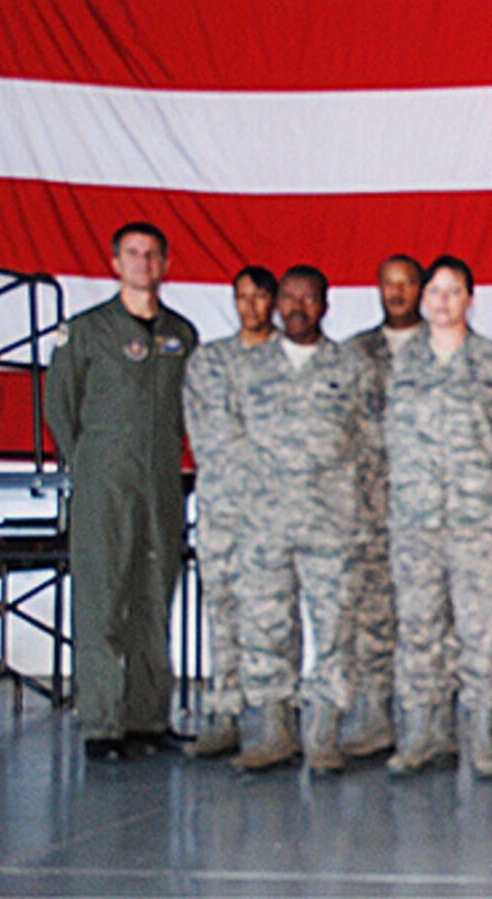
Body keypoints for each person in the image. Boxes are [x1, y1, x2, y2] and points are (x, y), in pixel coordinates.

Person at [46, 222, 199, 762]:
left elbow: (188, 411)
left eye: (152, 253)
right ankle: (103, 724)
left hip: (160, 483)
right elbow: (60, 407)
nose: (143, 262)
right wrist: (91, 463)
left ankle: (147, 719)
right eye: (133, 253)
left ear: (165, 262)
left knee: (155, 597)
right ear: (115, 262)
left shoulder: (181, 333)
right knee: (102, 599)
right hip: (104, 483)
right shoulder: (87, 331)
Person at [384, 256, 492, 779]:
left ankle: (483, 736)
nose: (443, 301)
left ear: (471, 299)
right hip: (415, 520)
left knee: (481, 631)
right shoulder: (398, 362)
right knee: (419, 629)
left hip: (478, 519)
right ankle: (423, 734)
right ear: (424, 300)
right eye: (436, 292)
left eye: (454, 291)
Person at [230, 265, 373, 773]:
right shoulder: (248, 367)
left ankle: (324, 735)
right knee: (266, 629)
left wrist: (366, 518)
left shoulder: (351, 366)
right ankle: (274, 732)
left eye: (308, 298)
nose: (296, 307)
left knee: (334, 630)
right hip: (265, 523)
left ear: (324, 305)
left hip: (333, 523)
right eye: (288, 298)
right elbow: (230, 446)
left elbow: (371, 446)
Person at [180, 264, 278, 759]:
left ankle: (281, 719)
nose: (252, 306)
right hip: (222, 506)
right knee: (221, 609)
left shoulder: (291, 359)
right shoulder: (208, 361)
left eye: (261, 296)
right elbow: (201, 433)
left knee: (279, 615)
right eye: (243, 296)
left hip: (278, 509)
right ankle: (226, 712)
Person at [335, 253, 425, 758]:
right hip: (368, 509)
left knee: (429, 619)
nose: (396, 293)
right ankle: (375, 719)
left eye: (406, 283)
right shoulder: (353, 353)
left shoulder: (445, 348)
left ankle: (431, 723)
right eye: (388, 283)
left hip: (429, 510)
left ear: (420, 288)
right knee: (371, 615)